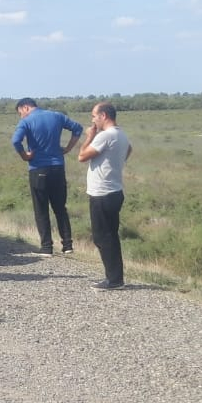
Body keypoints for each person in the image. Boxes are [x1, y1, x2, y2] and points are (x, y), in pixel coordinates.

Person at [12, 97, 84, 255]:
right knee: (60, 208)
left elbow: (16, 141)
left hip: (38, 168)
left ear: (25, 107)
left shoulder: (26, 121)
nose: (21, 116)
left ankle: (46, 247)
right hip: (58, 167)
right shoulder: (57, 116)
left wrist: (24, 156)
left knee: (41, 209)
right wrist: (68, 148)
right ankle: (67, 245)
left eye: (20, 113)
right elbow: (78, 129)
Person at [77, 101, 133, 290]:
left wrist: (89, 137)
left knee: (102, 237)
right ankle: (115, 277)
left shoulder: (105, 136)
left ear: (103, 116)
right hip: (114, 191)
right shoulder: (121, 134)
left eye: (94, 116)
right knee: (110, 235)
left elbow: (82, 156)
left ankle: (114, 280)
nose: (93, 120)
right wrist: (115, 162)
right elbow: (129, 149)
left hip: (102, 193)